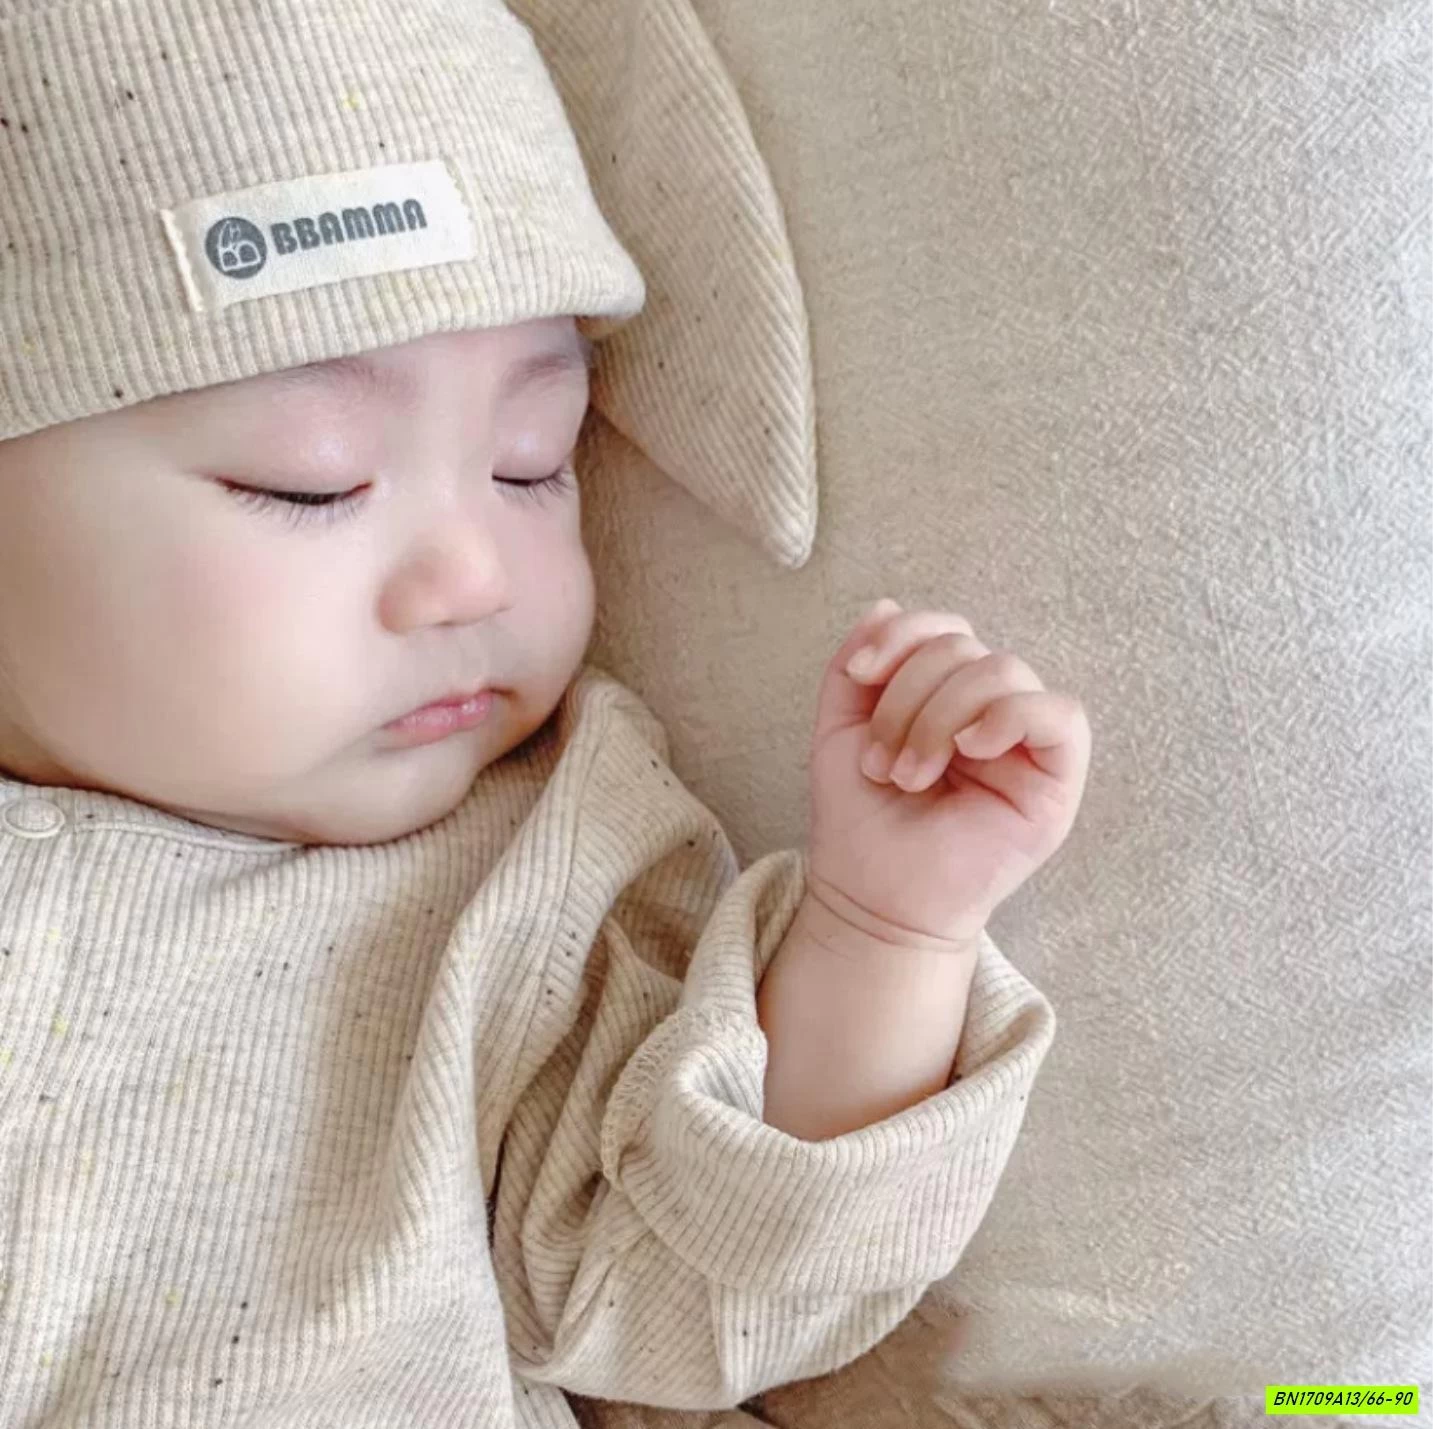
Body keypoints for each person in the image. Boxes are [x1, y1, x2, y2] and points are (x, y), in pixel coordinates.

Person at [0, 0, 1089, 1422]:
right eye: (311, 480)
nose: (474, 577)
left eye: (533, 462)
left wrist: (884, 935)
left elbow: (697, 1295)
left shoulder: (531, 885)